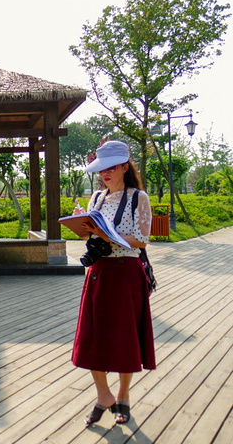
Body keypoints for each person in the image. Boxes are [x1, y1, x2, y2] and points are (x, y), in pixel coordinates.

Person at [72, 140, 155, 426]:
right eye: (101, 169)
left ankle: (123, 396)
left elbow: (142, 240)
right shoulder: (96, 198)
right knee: (91, 337)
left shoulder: (138, 197)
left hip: (125, 274)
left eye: (110, 168)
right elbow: (88, 236)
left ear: (124, 167)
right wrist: (81, 226)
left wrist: (105, 235)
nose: (104, 174)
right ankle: (103, 395)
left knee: (124, 338)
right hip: (98, 272)